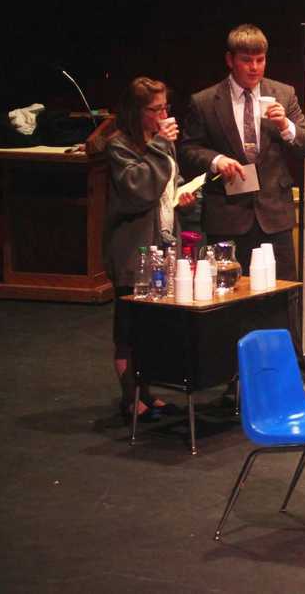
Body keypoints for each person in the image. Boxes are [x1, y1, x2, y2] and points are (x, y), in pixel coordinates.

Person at [178, 24, 305, 405]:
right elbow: (188, 149)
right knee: (233, 301)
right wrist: (215, 159)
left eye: (260, 60)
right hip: (229, 213)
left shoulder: (283, 94)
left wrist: (286, 126)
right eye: (247, 61)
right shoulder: (204, 101)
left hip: (273, 213)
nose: (255, 68)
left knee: (283, 300)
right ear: (231, 60)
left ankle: (295, 378)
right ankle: (234, 381)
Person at [103, 77, 196, 422]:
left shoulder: (161, 144)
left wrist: (185, 195)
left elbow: (170, 182)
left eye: (165, 108)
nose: (163, 115)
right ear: (136, 111)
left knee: (154, 327)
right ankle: (131, 399)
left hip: (164, 242)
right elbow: (138, 190)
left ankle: (149, 392)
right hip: (133, 250)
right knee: (129, 327)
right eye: (155, 109)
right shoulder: (119, 146)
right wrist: (159, 146)